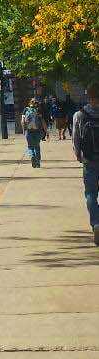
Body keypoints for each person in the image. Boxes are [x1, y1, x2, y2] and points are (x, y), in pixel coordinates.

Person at [72, 85, 99, 246]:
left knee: (90, 193)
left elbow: (76, 138)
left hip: (89, 159)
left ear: (88, 97)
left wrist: (78, 154)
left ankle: (96, 223)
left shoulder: (80, 115)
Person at [22, 97, 46, 168]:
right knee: (37, 147)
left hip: (29, 131)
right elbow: (43, 122)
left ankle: (32, 156)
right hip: (37, 131)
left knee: (30, 147)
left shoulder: (26, 110)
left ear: (30, 103)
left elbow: (23, 121)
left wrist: (23, 130)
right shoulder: (38, 110)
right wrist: (46, 131)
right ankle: (38, 162)